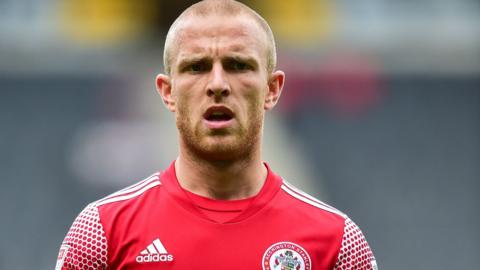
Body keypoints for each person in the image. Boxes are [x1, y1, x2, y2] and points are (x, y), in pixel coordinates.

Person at [55, 0, 377, 269]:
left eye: (238, 65)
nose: (218, 84)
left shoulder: (337, 243)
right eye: (196, 67)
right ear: (167, 91)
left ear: (273, 89)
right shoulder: (102, 234)